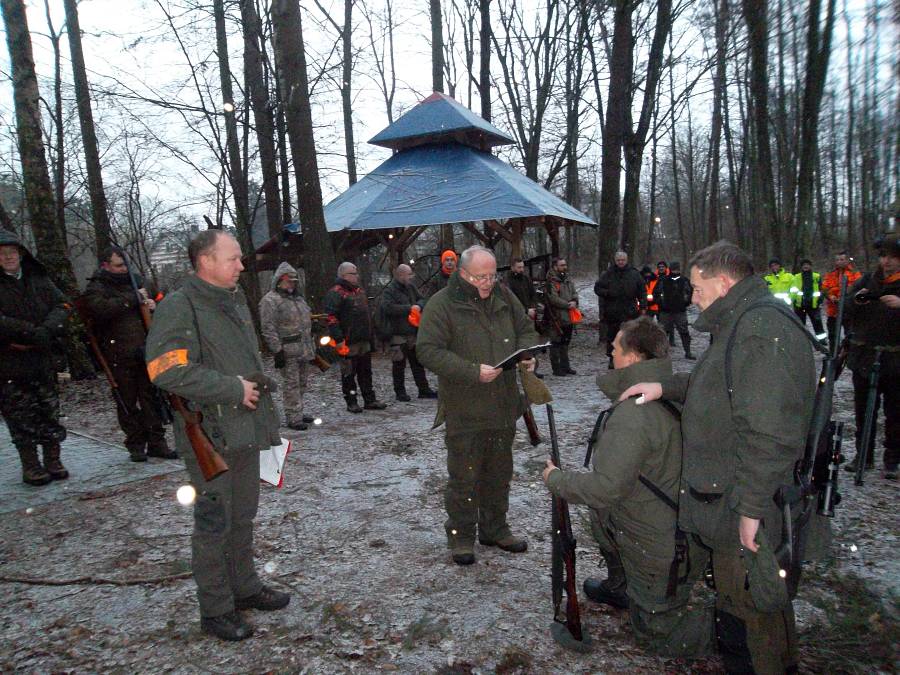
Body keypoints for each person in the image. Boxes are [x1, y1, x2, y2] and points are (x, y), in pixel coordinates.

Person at [622, 241, 817, 674]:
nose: (692, 297)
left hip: (744, 498)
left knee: (750, 605)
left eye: (697, 287)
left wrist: (750, 509)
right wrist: (665, 387)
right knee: (744, 598)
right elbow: (722, 384)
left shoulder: (759, 329)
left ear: (723, 283)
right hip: (732, 491)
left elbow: (770, 433)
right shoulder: (741, 321)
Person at [145, 230, 289, 642]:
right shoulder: (181, 306)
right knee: (214, 525)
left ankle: (245, 587)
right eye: (233, 259)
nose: (241, 266)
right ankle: (216, 609)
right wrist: (231, 388)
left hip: (244, 429)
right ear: (206, 261)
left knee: (242, 517)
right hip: (210, 434)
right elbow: (165, 369)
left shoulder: (232, 301)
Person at [542, 318, 714, 658]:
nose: (610, 351)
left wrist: (556, 480)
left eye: (616, 347)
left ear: (633, 358)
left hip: (662, 545)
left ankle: (733, 631)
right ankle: (623, 586)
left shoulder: (633, 414)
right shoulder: (672, 391)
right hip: (675, 523)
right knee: (600, 516)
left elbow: (606, 488)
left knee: (657, 635)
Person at [417, 245, 539, 565]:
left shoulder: (504, 295)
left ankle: (495, 528)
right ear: (462, 273)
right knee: (464, 477)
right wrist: (471, 371)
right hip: (465, 407)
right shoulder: (442, 304)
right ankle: (461, 537)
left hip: (503, 404)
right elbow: (427, 350)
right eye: (480, 277)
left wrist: (527, 354)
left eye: (492, 275)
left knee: (499, 473)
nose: (487, 282)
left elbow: (526, 330)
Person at [81, 247, 176, 461]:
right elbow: (99, 309)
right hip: (118, 354)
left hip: (147, 350)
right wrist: (132, 299)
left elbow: (163, 299)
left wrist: (155, 305)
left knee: (152, 398)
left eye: (125, 264)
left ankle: (157, 442)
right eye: (118, 265)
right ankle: (136, 445)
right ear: (105, 266)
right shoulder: (97, 287)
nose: (124, 269)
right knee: (127, 401)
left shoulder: (139, 281)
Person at [0, 230, 70, 486]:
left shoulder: (39, 279)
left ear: (21, 254)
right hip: (9, 362)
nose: (8, 257)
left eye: (11, 252)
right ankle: (31, 465)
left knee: (49, 410)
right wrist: (28, 331)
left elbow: (63, 305)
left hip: (42, 359)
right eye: (2, 254)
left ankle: (53, 460)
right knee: (19, 415)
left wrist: (48, 329)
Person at [842, 233, 900, 479]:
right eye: (884, 256)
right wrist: (856, 300)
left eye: (893, 257)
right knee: (864, 411)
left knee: (895, 413)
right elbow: (844, 309)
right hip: (865, 358)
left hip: (895, 361)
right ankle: (863, 456)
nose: (887, 262)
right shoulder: (867, 281)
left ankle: (893, 460)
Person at [323, 262, 387, 413]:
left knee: (366, 371)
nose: (356, 276)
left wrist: (372, 335)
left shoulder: (359, 291)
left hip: (363, 339)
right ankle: (351, 402)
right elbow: (331, 318)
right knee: (349, 373)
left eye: (356, 273)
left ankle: (369, 399)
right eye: (353, 273)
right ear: (344, 275)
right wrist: (339, 339)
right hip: (347, 341)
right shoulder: (335, 293)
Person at [258, 261, 316, 430]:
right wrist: (277, 350)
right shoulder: (270, 300)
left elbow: (306, 320)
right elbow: (268, 328)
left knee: (302, 383)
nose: (292, 284)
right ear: (279, 281)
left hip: (304, 349)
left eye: (294, 281)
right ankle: (293, 417)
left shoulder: (299, 299)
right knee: (292, 385)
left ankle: (298, 411)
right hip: (287, 351)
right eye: (289, 281)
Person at [381, 264, 437, 402]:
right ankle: (400, 392)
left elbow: (422, 299)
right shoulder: (389, 291)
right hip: (397, 334)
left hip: (412, 332)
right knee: (399, 364)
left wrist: (419, 306)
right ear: (401, 275)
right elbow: (387, 308)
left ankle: (423, 389)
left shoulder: (411, 287)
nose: (411, 277)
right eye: (409, 274)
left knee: (417, 362)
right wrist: (409, 308)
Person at [594, 251, 646, 368]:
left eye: (623, 260)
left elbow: (642, 291)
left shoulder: (634, 274)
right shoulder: (608, 274)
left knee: (629, 336)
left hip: (630, 311)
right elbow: (597, 288)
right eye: (618, 260)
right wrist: (608, 293)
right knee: (613, 337)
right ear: (615, 260)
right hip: (613, 311)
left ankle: (629, 359)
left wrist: (643, 306)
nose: (621, 262)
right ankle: (612, 359)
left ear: (627, 260)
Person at [543, 257, 578, 376]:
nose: (564, 267)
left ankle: (565, 366)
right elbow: (553, 299)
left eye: (565, 265)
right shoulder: (551, 282)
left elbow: (574, 292)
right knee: (555, 343)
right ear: (555, 267)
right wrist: (568, 305)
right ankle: (556, 368)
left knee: (565, 342)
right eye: (562, 265)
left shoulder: (567, 279)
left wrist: (574, 301)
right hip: (556, 317)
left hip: (568, 316)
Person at [653, 261, 695, 359]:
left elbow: (691, 293)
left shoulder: (684, 280)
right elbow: (656, 293)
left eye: (677, 269)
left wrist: (686, 303)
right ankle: (661, 353)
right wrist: (661, 304)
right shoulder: (663, 280)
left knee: (684, 332)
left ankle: (688, 352)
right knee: (663, 333)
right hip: (665, 311)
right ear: (670, 269)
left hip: (680, 311)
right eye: (674, 269)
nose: (675, 271)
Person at [821, 251, 861, 346]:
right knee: (833, 336)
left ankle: (848, 352)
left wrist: (847, 298)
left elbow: (859, 289)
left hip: (849, 311)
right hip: (833, 311)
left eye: (842, 259)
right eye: (837, 260)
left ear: (847, 260)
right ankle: (834, 353)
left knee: (850, 335)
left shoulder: (855, 274)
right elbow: (824, 288)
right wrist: (831, 296)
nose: (839, 262)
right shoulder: (830, 274)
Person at [789, 258, 827, 343]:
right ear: (801, 267)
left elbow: (822, 289)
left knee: (817, 323)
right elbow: (793, 290)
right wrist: (793, 300)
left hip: (813, 304)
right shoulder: (796, 277)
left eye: (807, 264)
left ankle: (822, 340)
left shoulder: (816, 276)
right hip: (800, 305)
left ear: (810, 266)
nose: (806, 266)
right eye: (804, 265)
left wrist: (820, 300)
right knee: (800, 324)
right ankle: (800, 340)